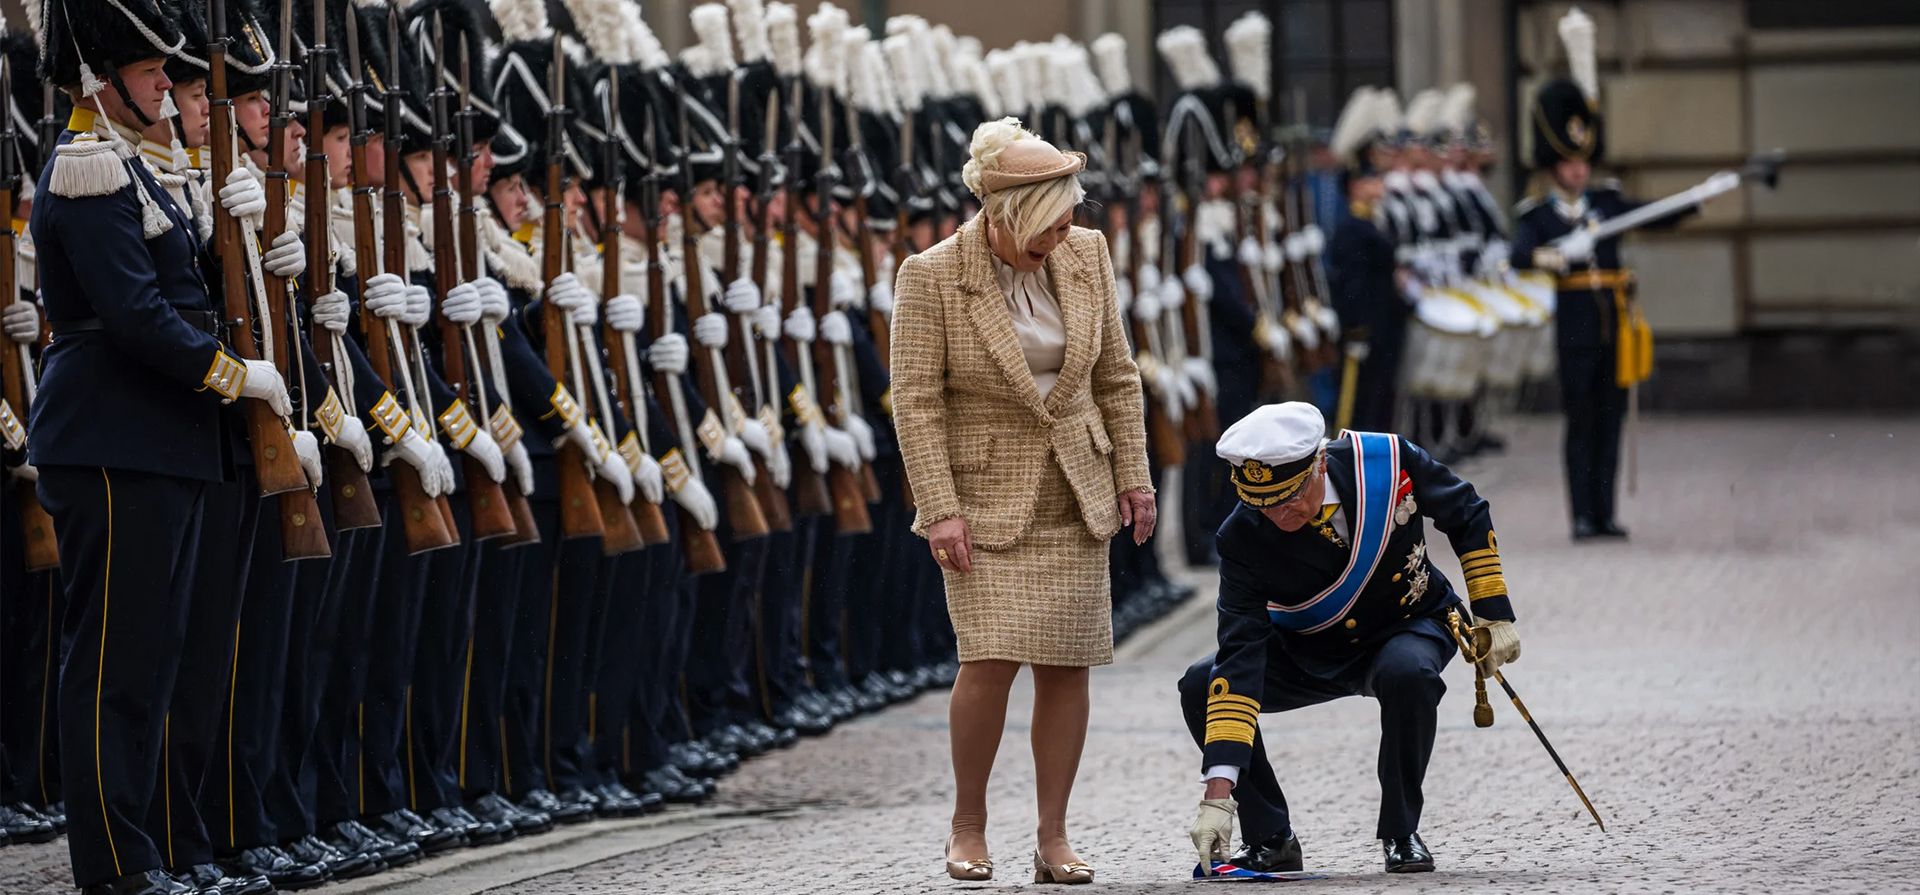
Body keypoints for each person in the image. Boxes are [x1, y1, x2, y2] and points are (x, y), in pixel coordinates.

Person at [891, 117, 1154, 885]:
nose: (1062, 236)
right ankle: (967, 824)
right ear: (1005, 217)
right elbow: (916, 402)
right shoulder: (933, 274)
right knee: (989, 659)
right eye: (1048, 225)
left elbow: (1116, 374)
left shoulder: (1087, 254)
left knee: (1068, 666)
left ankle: (1053, 836)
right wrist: (938, 506)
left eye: (1070, 218)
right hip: (983, 500)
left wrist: (1134, 476)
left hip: (1076, 488)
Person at [1178, 402, 1520, 875]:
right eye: (1264, 503)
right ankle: (1270, 837)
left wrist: (1493, 613)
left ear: (1319, 462)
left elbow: (1466, 512)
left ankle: (1401, 833)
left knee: (1408, 673)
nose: (1279, 512)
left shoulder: (1384, 462)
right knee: (1201, 683)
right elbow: (1241, 656)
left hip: (1409, 622)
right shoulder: (1241, 536)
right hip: (1310, 649)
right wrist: (1217, 796)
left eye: (1290, 495)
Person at [1510, 8, 1705, 542]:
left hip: (1613, 325)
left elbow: (1648, 212)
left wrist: (1690, 202)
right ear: (1554, 166)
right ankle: (1580, 514)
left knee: (1611, 421)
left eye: (1583, 162)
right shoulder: (1539, 215)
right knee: (1581, 422)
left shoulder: (1606, 201)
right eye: (1569, 164)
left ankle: (1606, 511)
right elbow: (1519, 256)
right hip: (1574, 328)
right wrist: (1559, 254)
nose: (1578, 171)